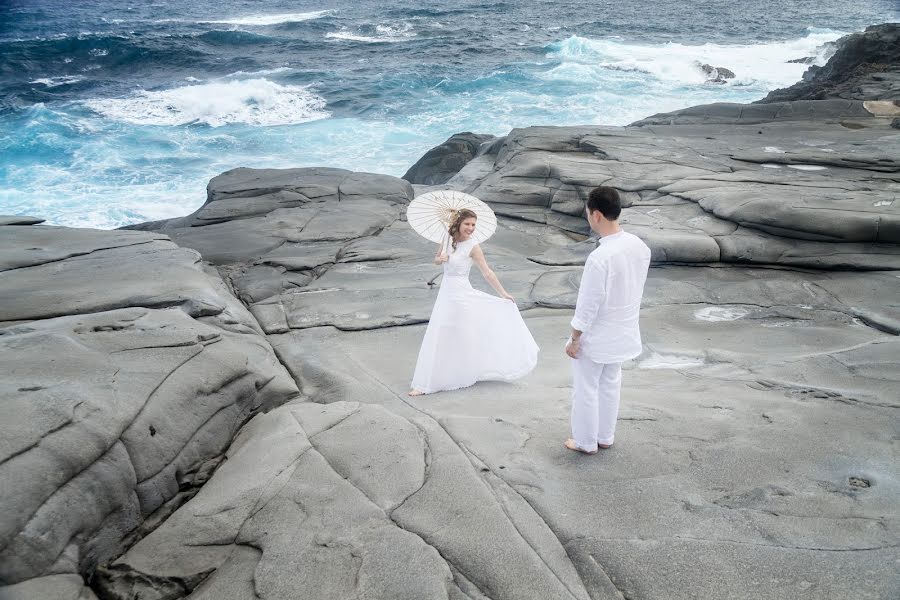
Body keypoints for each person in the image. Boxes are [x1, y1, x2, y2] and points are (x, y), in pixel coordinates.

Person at [409, 209, 539, 396]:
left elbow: (487, 272)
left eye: (473, 225)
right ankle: (431, 381)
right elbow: (437, 260)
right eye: (467, 224)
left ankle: (462, 374)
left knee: (461, 336)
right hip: (446, 294)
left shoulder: (473, 247)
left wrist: (503, 293)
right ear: (458, 224)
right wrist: (441, 259)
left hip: (462, 297)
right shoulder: (446, 239)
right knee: (442, 334)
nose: (471, 228)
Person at [564, 186, 651, 454]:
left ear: (597, 215)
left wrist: (575, 338)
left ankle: (585, 442)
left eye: (589, 213)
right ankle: (605, 436)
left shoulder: (600, 257)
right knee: (611, 383)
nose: (589, 218)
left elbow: (588, 304)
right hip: (623, 330)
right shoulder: (639, 246)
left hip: (598, 333)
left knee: (586, 388)